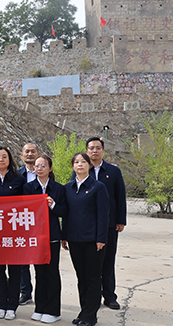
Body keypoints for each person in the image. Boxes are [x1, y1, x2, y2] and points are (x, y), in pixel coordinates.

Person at [62, 152, 109, 326]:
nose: (80, 164)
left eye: (83, 162)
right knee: (81, 278)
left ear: (90, 165)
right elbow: (66, 214)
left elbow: (103, 215)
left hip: (93, 241)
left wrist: (101, 238)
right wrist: (64, 236)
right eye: (76, 162)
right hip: (74, 240)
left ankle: (91, 316)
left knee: (93, 278)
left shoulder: (98, 187)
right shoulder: (68, 188)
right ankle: (84, 312)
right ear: (73, 166)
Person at [23, 155, 67, 324]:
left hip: (52, 237)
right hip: (35, 237)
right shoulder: (28, 187)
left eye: (43, 166)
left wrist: (53, 205)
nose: (39, 169)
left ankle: (53, 311)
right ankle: (40, 308)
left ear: (50, 168)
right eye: (37, 166)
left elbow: (64, 211)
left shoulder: (58, 188)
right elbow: (24, 211)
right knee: (39, 273)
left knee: (52, 273)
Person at [86, 136, 126, 310]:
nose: (94, 151)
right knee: (92, 263)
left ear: (103, 150)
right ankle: (92, 297)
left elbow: (120, 196)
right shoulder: (82, 169)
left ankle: (109, 296)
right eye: (91, 148)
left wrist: (121, 220)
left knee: (108, 261)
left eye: (98, 148)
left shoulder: (113, 171)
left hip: (109, 224)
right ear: (87, 151)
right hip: (88, 224)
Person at [0, 146, 25, 321]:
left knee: (15, 271)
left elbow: (26, 205)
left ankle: (12, 306)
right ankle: (1, 305)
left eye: (4, 157)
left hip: (14, 233)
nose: (1, 160)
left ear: (10, 160)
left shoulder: (19, 180)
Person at [17, 143, 40, 306]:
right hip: (21, 223)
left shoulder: (44, 172)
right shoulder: (16, 175)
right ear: (22, 155)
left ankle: (42, 294)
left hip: (40, 223)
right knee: (22, 262)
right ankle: (25, 293)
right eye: (27, 152)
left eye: (33, 151)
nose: (30, 154)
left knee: (40, 261)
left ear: (38, 154)